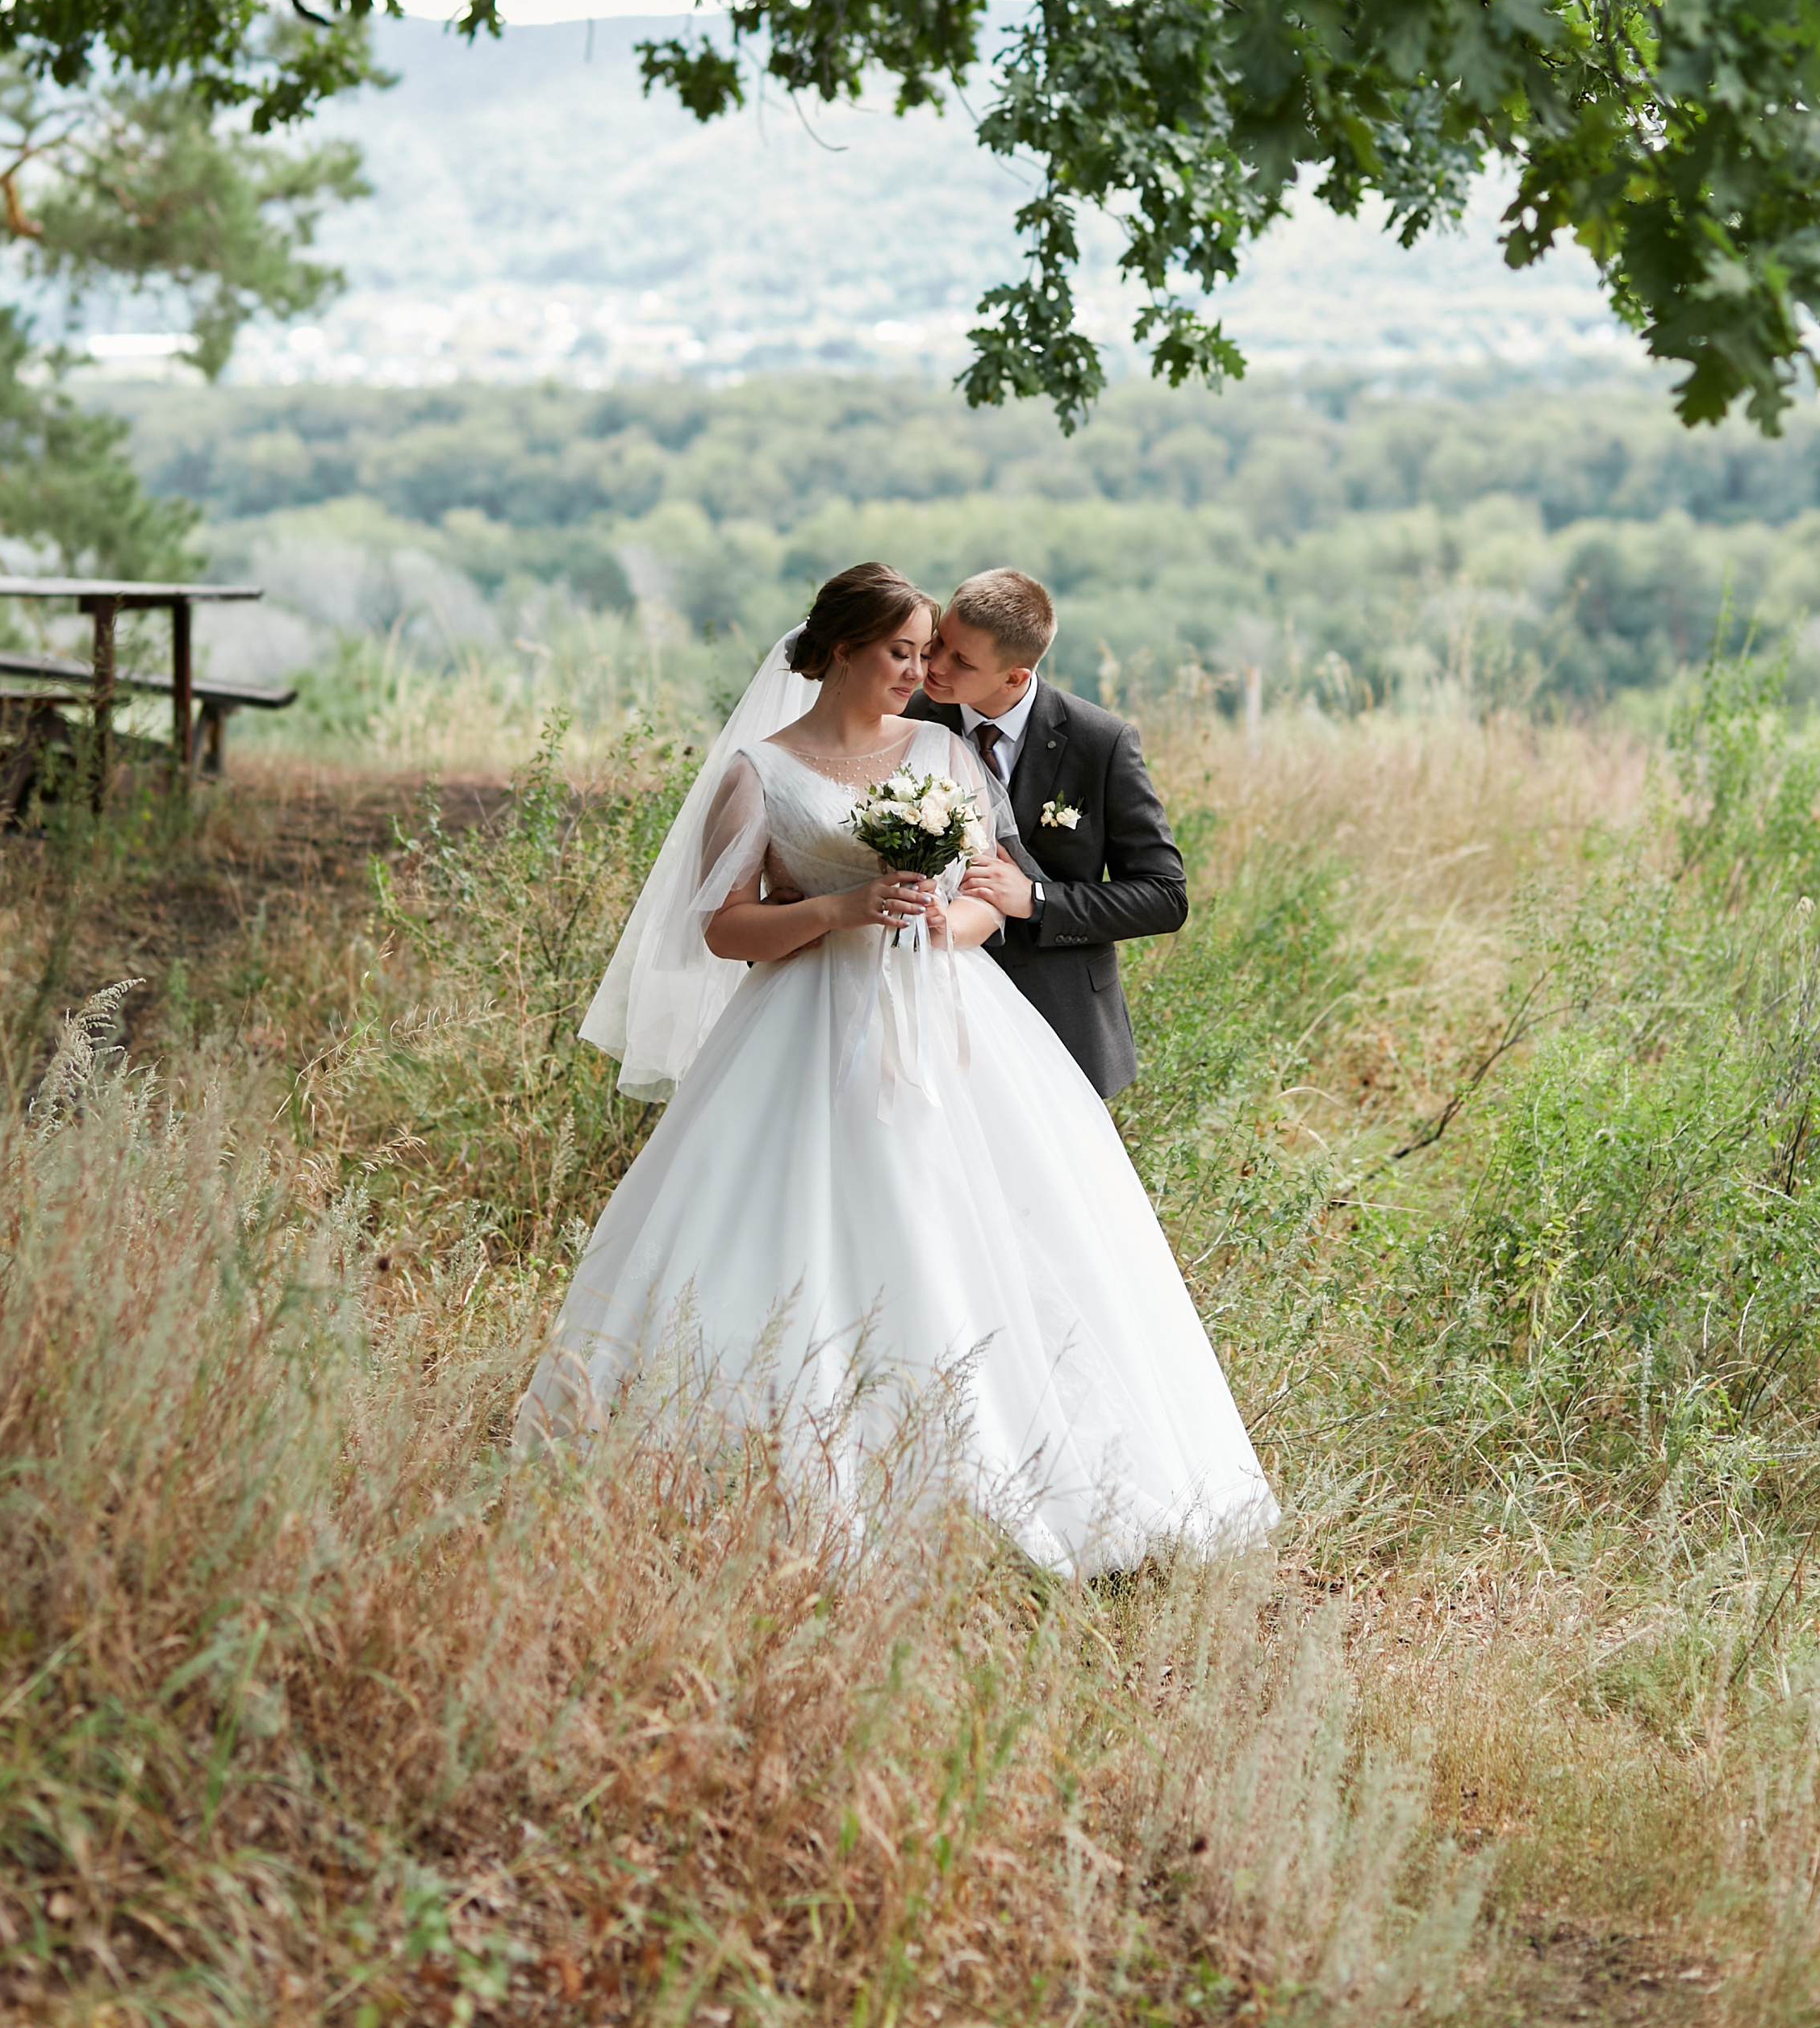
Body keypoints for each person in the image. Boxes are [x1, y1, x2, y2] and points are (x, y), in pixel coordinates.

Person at [515, 562, 1274, 1574]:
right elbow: (723, 930)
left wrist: (944, 921)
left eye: (930, 655)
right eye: (903, 653)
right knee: (794, 1230)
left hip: (954, 1020)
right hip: (802, 1026)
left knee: (992, 1230)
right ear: (838, 651)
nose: (919, 674)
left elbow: (987, 897)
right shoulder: (759, 771)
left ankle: (1004, 1466)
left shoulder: (940, 753)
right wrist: (835, 911)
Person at [913, 569, 1186, 1100]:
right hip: (933, 1011)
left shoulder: (1099, 742)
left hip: (1060, 1021)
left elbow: (1163, 896)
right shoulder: (905, 720)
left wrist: (1036, 899)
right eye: (939, 642)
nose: (936, 665)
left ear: (1014, 677)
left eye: (962, 661)